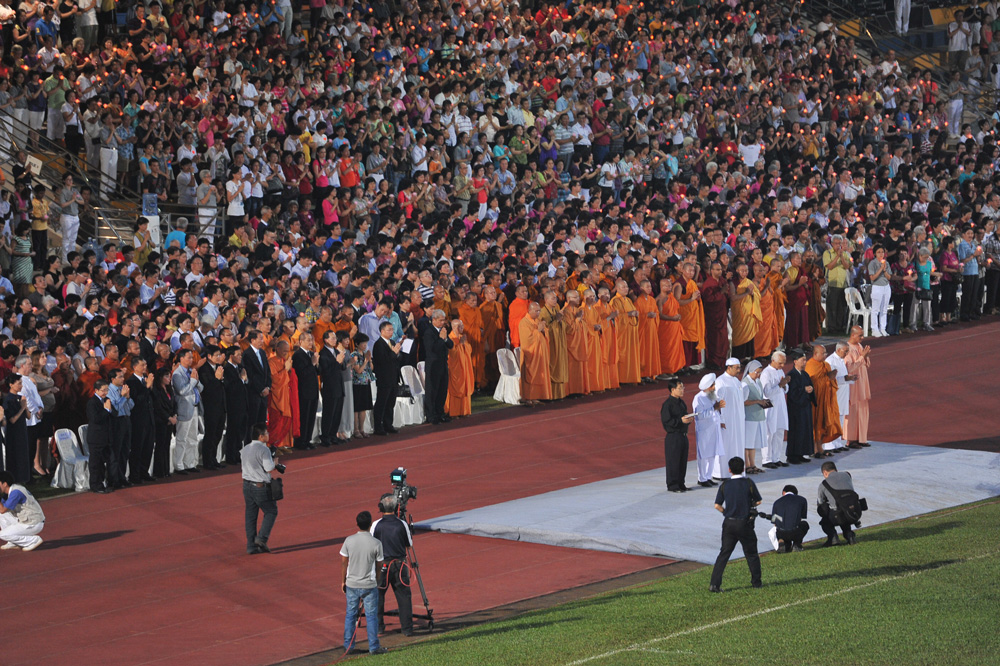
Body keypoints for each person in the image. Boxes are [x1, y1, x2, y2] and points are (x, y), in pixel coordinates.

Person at [709, 457, 763, 593]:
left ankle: (714, 584)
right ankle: (756, 582)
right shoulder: (748, 483)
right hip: (744, 523)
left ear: (729, 470)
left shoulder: (725, 485)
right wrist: (749, 505)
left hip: (729, 522)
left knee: (724, 554)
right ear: (743, 468)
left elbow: (717, 505)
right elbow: (759, 501)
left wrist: (726, 512)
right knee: (751, 553)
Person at [341, 510, 389, 655]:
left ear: (357, 524)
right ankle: (374, 647)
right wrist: (378, 579)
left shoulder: (349, 540)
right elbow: (380, 564)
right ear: (370, 525)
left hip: (352, 584)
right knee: (371, 616)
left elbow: (344, 563)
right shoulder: (376, 543)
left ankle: (348, 645)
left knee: (350, 614)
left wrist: (343, 581)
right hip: (369, 584)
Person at [371, 494, 414, 637]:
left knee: (377, 596)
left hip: (381, 566)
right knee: (404, 596)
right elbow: (409, 545)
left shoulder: (376, 525)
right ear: (396, 508)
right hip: (399, 565)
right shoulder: (402, 524)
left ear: (381, 507)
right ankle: (407, 629)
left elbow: (371, 546)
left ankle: (378, 628)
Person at [241, 423, 280, 554]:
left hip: (246, 485)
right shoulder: (264, 450)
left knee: (250, 516)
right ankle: (261, 538)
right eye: (267, 434)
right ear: (261, 436)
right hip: (260, 486)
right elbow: (269, 468)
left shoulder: (245, 448)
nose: (268, 436)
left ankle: (251, 546)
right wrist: (275, 463)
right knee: (271, 511)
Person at [805, 345, 842, 457]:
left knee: (823, 424)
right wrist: (828, 378)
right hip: (815, 401)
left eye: (826, 353)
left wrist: (831, 377)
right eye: (823, 353)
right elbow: (813, 383)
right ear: (815, 354)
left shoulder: (826, 365)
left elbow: (831, 383)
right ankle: (814, 449)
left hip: (826, 400)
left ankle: (820, 448)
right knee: (815, 424)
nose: (825, 355)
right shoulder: (811, 365)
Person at [713, 359, 746, 480]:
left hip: (737, 420)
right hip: (726, 421)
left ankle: (737, 471)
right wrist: (721, 419)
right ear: (729, 367)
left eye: (739, 367)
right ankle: (722, 473)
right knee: (725, 446)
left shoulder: (736, 381)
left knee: (737, 445)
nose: (739, 370)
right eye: (736, 368)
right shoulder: (721, 381)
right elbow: (717, 402)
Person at [660, 378, 694, 492]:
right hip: (673, 436)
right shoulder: (667, 405)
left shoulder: (681, 403)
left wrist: (688, 419)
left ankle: (681, 483)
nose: (682, 390)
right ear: (672, 389)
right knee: (673, 461)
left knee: (682, 460)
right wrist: (681, 421)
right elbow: (667, 421)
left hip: (683, 435)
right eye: (680, 388)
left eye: (683, 388)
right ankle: (672, 485)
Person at [125, 358, 155, 484]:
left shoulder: (146, 379)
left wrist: (149, 386)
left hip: (149, 418)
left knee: (148, 447)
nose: (145, 367)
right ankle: (135, 475)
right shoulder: (131, 382)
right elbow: (136, 401)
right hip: (137, 420)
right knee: (138, 448)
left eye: (146, 364)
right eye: (142, 365)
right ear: (135, 367)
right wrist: (146, 387)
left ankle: (144, 471)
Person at [171, 349, 202, 474]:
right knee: (182, 438)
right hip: (184, 409)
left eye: (191, 358)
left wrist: (197, 380)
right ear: (181, 359)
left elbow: (201, 388)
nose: (191, 360)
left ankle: (189, 463)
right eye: (188, 357)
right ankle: (179, 465)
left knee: (193, 437)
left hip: (194, 407)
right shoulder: (177, 374)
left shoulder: (191, 372)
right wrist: (193, 381)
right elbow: (182, 391)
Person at [692, 373, 724, 488]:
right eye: (713, 385)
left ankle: (708, 477)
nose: (714, 387)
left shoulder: (712, 396)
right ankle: (702, 478)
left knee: (712, 454)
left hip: (714, 429)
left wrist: (721, 419)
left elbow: (717, 412)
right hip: (704, 430)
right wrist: (714, 408)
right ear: (707, 386)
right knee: (703, 455)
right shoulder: (698, 398)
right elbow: (699, 415)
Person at [0, 471, 45, 551]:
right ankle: (12, 542)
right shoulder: (10, 491)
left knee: (2, 534)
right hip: (26, 520)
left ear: (5, 484)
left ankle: (33, 541)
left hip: (33, 523)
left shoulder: (16, 492)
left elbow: (3, 510)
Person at [759, 351, 790, 470]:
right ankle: (766, 459)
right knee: (769, 433)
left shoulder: (780, 371)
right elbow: (766, 393)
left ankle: (776, 458)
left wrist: (785, 384)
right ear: (773, 360)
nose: (782, 366)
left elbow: (784, 390)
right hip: (770, 407)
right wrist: (780, 385)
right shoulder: (766, 373)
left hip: (780, 406)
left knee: (779, 432)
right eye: (780, 363)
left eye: (783, 363)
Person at [371, 322, 402, 435]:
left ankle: (388, 424)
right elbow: (383, 361)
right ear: (382, 331)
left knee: (391, 403)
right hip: (384, 378)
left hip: (394, 377)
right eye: (389, 329)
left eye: (392, 329)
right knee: (382, 403)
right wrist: (394, 353)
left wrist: (397, 354)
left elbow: (397, 358)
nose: (391, 331)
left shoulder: (392, 342)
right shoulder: (378, 344)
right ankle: (378, 427)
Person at [817, 461, 859, 546]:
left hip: (838, 515)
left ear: (825, 472)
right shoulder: (847, 475)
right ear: (836, 469)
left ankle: (833, 538)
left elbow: (820, 502)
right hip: (854, 512)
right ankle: (849, 535)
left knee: (825, 521)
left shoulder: (823, 484)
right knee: (843, 512)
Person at [422, 309, 453, 424]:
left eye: (443, 320)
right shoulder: (428, 332)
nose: (442, 322)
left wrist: (445, 338)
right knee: (432, 391)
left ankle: (440, 413)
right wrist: (441, 339)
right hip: (433, 365)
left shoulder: (443, 331)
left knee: (442, 390)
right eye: (440, 320)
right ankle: (431, 415)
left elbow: (451, 345)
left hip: (443, 364)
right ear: (433, 320)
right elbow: (432, 349)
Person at [844, 326, 872, 449]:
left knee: (863, 409)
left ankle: (861, 438)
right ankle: (851, 439)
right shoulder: (847, 349)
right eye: (860, 335)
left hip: (863, 383)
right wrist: (862, 357)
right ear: (853, 335)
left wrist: (865, 356)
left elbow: (867, 364)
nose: (862, 338)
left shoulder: (860, 347)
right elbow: (849, 368)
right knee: (853, 411)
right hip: (853, 385)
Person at [519, 301, 552, 404]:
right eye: (536, 311)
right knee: (530, 375)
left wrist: (543, 331)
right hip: (531, 354)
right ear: (529, 310)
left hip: (540, 354)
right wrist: (538, 330)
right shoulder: (524, 322)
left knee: (540, 375)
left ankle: (536, 396)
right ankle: (528, 398)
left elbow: (545, 333)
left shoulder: (537, 320)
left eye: (539, 311)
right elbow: (527, 339)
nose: (538, 313)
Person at [318, 330, 348, 446]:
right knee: (329, 413)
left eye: (335, 338)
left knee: (337, 412)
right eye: (332, 338)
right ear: (326, 340)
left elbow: (343, 366)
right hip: (329, 386)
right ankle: (325, 436)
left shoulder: (336, 351)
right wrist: (337, 362)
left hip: (339, 385)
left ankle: (333, 434)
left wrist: (342, 361)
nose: (335, 340)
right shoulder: (323, 353)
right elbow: (325, 370)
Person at [200, 345, 228, 467]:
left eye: (220, 355)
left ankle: (214, 459)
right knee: (210, 434)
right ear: (209, 356)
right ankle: (207, 460)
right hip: (210, 407)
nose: (219, 357)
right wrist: (217, 379)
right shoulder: (203, 370)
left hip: (221, 405)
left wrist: (221, 380)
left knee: (218, 434)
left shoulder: (219, 367)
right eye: (216, 355)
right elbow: (208, 389)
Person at [786, 351, 815, 464]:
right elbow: (792, 392)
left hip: (805, 407)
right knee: (796, 431)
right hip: (795, 409)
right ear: (795, 361)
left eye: (805, 360)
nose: (805, 362)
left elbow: (810, 385)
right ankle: (792, 455)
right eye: (802, 360)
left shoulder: (804, 374)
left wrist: (811, 389)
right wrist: (804, 390)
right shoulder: (792, 375)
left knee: (804, 430)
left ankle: (801, 453)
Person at [539, 290, 570, 397]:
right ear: (546, 300)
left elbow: (564, 326)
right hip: (550, 343)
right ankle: (550, 394)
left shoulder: (556, 309)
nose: (555, 300)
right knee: (552, 367)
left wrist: (561, 321)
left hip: (559, 342)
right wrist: (556, 320)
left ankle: (560, 394)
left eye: (556, 298)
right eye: (553, 298)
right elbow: (544, 329)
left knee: (560, 366)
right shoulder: (542, 312)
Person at [291, 333, 320, 449]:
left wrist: (316, 364)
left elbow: (318, 371)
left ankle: (308, 439)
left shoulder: (312, 354)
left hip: (313, 389)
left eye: (311, 340)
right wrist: (312, 363)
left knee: (311, 415)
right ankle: (301, 441)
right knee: (304, 416)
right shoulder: (298, 355)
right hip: (303, 390)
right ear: (301, 341)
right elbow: (301, 373)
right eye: (308, 340)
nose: (310, 342)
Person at [86, 379, 115, 493]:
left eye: (107, 390)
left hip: (106, 436)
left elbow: (113, 414)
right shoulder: (92, 403)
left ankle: (104, 482)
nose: (105, 393)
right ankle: (95, 485)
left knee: (104, 462)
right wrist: (106, 410)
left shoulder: (106, 400)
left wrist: (109, 409)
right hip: (96, 437)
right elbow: (95, 419)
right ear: (96, 390)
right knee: (95, 463)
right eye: (103, 390)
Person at [2, 375, 31, 486]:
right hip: (13, 433)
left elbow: (28, 416)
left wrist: (26, 407)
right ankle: (15, 480)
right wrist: (22, 408)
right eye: (18, 383)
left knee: (23, 456)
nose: (21, 385)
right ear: (11, 385)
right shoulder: (8, 400)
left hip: (22, 431)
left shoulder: (20, 398)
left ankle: (24, 479)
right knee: (15, 457)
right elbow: (12, 419)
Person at [826, 342, 854, 452]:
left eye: (847, 351)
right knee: (833, 420)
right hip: (835, 395)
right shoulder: (830, 361)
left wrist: (850, 379)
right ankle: (829, 444)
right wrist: (844, 379)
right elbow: (829, 380)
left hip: (843, 394)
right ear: (838, 350)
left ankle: (837, 443)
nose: (847, 353)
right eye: (845, 351)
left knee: (840, 419)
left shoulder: (841, 360)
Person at [741, 361, 769, 475]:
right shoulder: (745, 384)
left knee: (753, 443)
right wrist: (758, 401)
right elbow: (743, 402)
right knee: (747, 443)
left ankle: (752, 464)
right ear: (751, 371)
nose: (758, 375)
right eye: (757, 373)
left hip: (758, 416)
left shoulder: (757, 382)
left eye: (760, 373)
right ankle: (747, 465)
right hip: (749, 417)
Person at [223, 346, 249, 464]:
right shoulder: (226, 369)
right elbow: (230, 387)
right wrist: (241, 380)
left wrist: (245, 380)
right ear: (231, 356)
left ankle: (238, 454)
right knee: (233, 431)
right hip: (233, 405)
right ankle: (231, 456)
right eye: (238, 354)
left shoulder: (240, 367)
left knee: (240, 431)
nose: (240, 357)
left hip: (242, 404)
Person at [243, 330, 273, 428]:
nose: (263, 341)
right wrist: (261, 389)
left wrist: (268, 387)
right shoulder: (247, 354)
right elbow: (251, 375)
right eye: (260, 338)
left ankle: (260, 442)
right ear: (253, 340)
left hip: (264, 394)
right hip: (254, 394)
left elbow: (267, 371)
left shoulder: (263, 352)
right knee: (252, 422)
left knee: (262, 422)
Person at [151, 367, 176, 478]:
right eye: (166, 376)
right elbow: (158, 407)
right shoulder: (156, 391)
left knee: (167, 444)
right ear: (160, 378)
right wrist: (168, 418)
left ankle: (166, 469)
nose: (168, 378)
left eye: (169, 376)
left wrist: (174, 416)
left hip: (170, 420)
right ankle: (159, 470)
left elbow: (174, 403)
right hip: (161, 421)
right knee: (160, 446)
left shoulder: (169, 389)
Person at [446, 319, 474, 417]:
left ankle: (465, 411)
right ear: (453, 327)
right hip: (455, 368)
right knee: (456, 388)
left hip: (465, 367)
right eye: (459, 326)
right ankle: (454, 412)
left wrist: (463, 343)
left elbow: (469, 350)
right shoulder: (450, 338)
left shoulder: (462, 337)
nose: (462, 328)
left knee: (465, 387)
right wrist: (460, 344)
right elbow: (452, 354)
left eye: (462, 326)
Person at [768, 484, 809, 552]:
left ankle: (782, 542)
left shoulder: (776, 502)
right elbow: (800, 519)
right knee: (804, 524)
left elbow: (774, 523)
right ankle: (796, 544)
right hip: (794, 532)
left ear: (784, 492)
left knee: (780, 528)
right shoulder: (802, 500)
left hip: (781, 533)